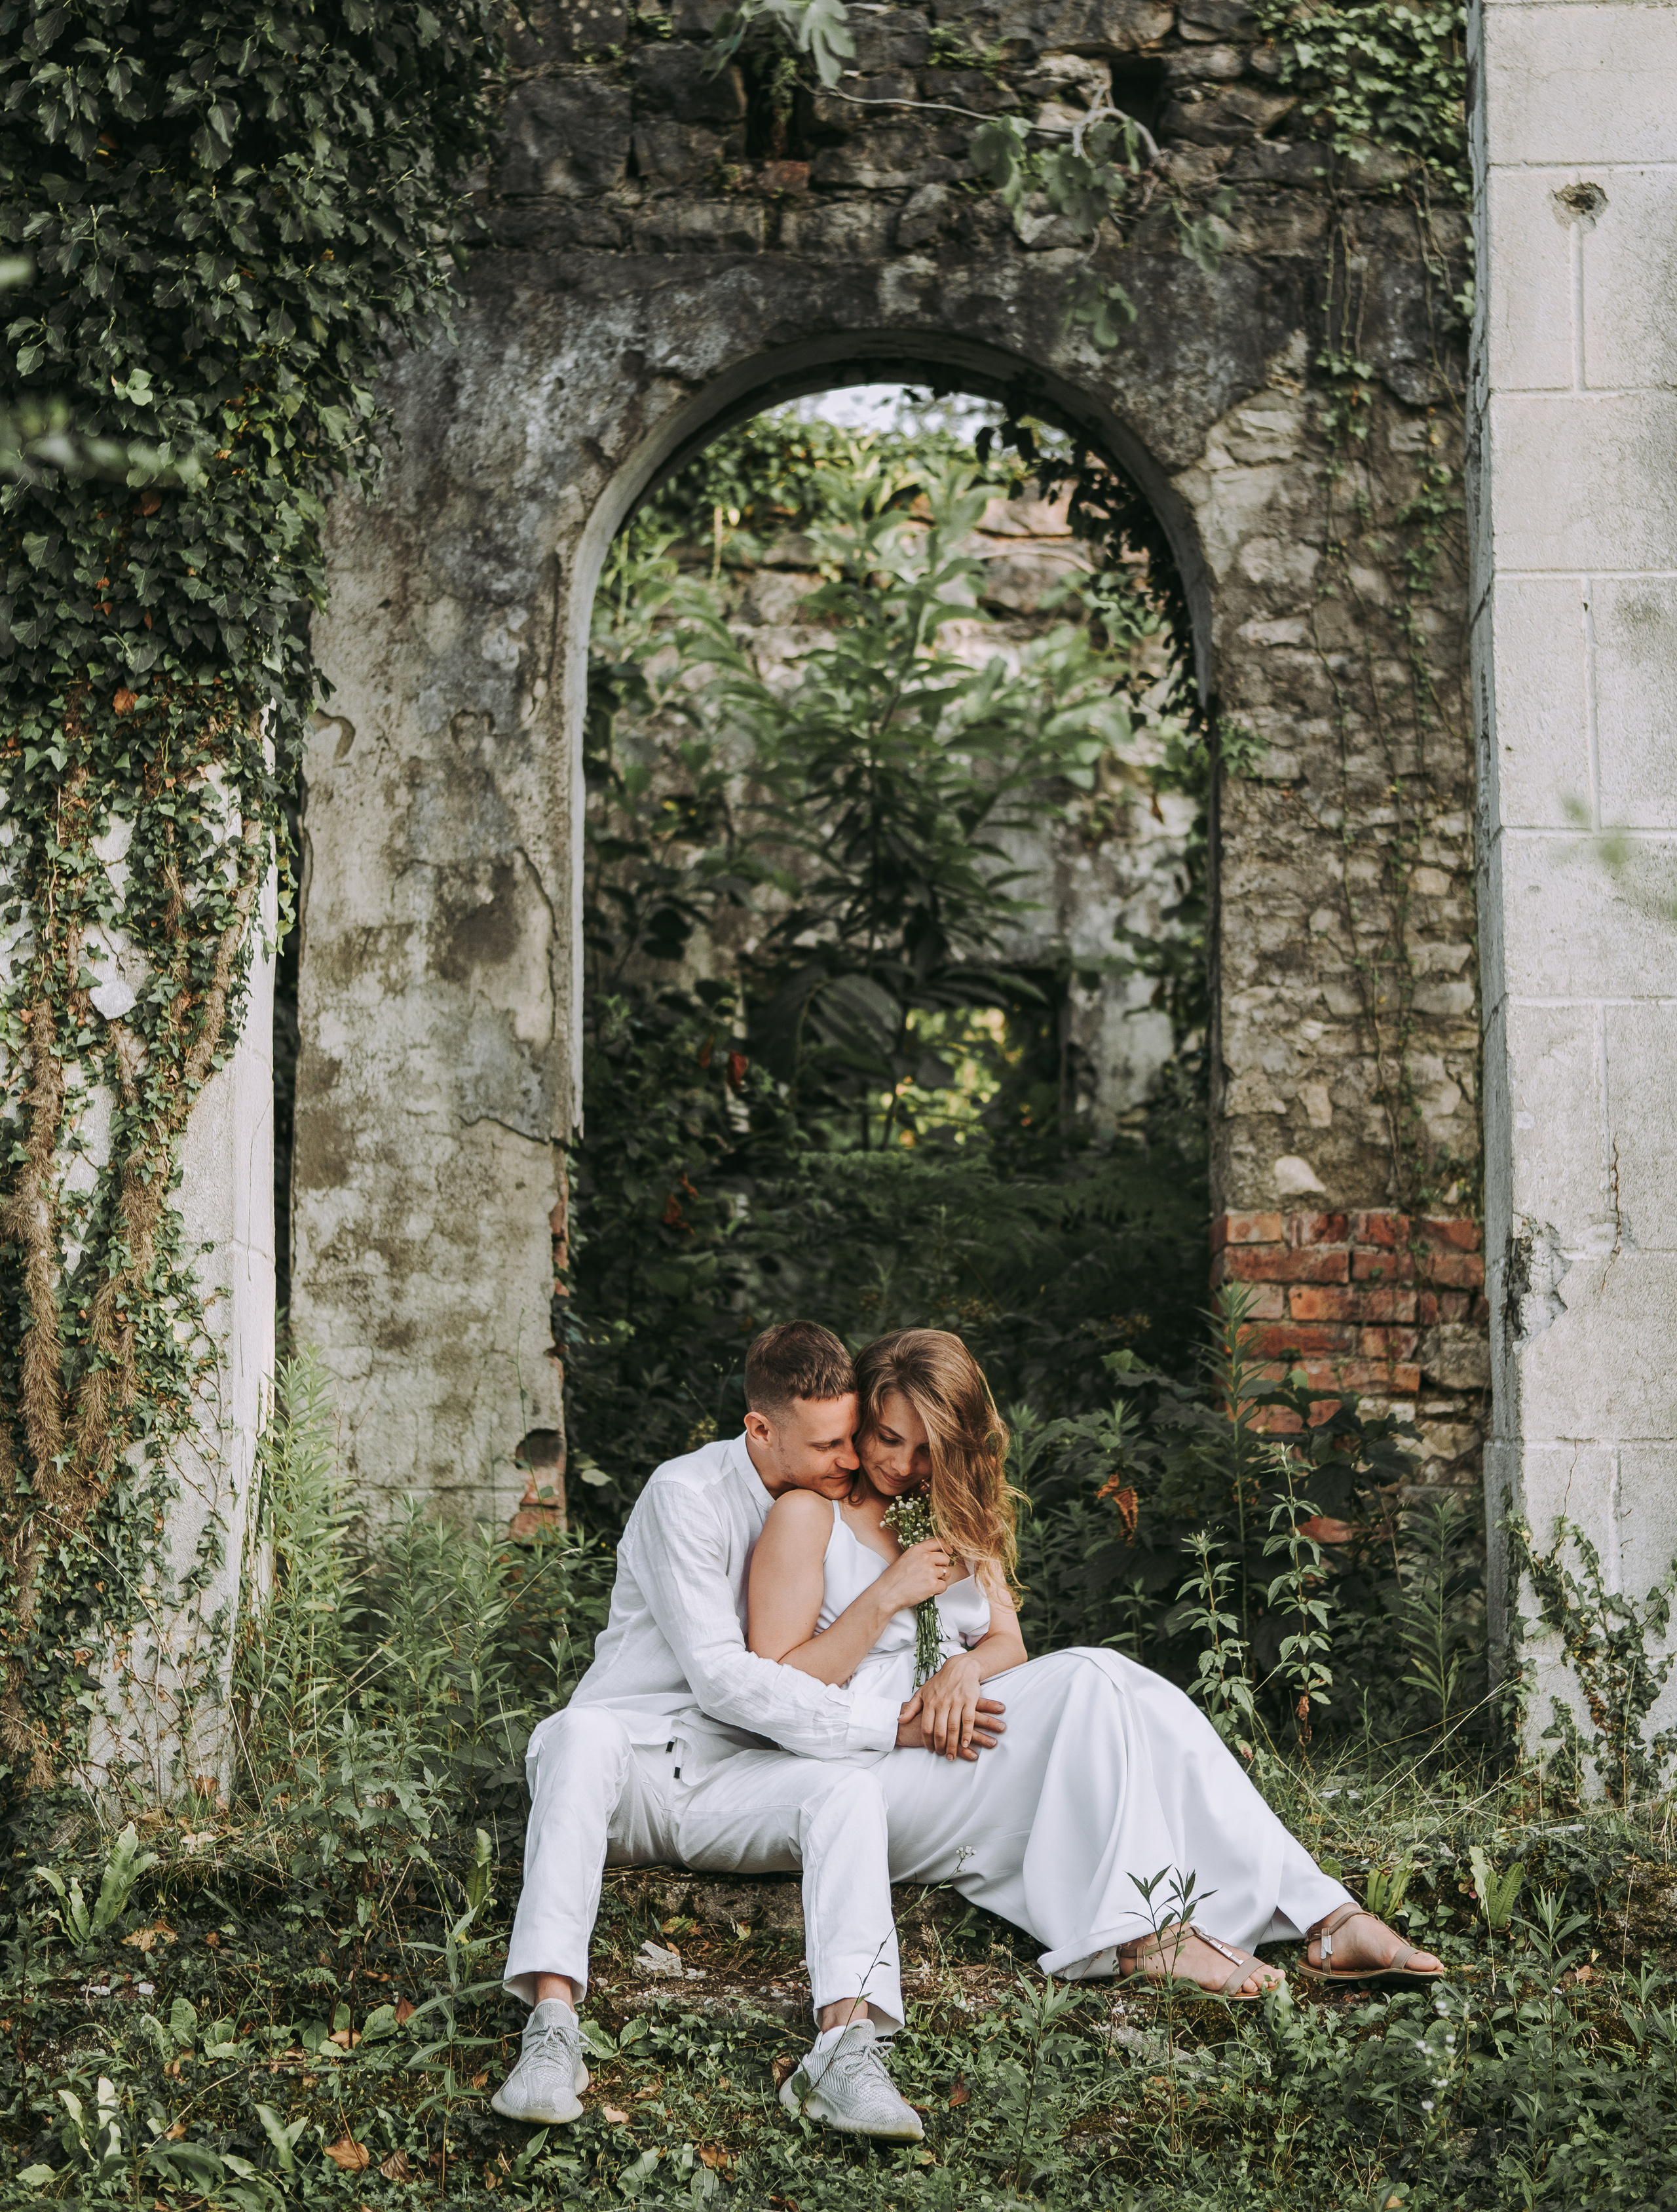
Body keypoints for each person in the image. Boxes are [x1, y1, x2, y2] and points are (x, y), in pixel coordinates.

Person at [747, 1327, 1446, 2005]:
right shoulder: (809, 1516)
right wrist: (886, 1594)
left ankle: (1326, 1917)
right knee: (1092, 1676)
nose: (901, 1465)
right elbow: (776, 1684)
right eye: (886, 1438)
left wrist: (963, 1670)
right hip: (873, 1764)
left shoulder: (952, 1509)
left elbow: (1007, 1646)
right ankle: (1143, 1935)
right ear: (862, 1416)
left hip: (962, 1729)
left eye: (927, 1449)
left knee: (1140, 1700)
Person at [491, 1321, 998, 2141]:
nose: (852, 1460)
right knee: (576, 1734)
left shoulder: (832, 1513)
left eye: (852, 1437)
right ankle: (551, 2029)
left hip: (744, 1781)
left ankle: (845, 2045)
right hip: (638, 1769)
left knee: (845, 1790)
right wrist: (883, 1723)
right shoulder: (683, 1496)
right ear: (759, 1430)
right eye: (830, 1444)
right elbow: (723, 1680)